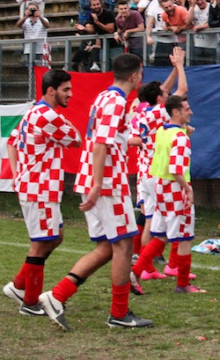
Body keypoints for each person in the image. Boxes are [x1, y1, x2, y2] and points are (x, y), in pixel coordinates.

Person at [39, 54, 152, 331]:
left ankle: (57, 295)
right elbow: (101, 144)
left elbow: (112, 139)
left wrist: (144, 139)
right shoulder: (115, 102)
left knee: (106, 248)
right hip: (107, 184)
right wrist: (98, 185)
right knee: (124, 245)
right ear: (136, 76)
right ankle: (119, 313)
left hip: (95, 180)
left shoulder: (104, 98)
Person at [3, 69, 81, 316]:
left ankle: (18, 286)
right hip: (40, 189)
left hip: (39, 187)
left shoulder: (31, 113)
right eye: (66, 90)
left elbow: (12, 143)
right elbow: (77, 139)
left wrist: (17, 175)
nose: (70, 94)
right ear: (51, 91)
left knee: (55, 237)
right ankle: (30, 302)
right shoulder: (48, 116)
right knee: (40, 243)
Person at [130, 94, 203, 294]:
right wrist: (188, 189)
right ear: (176, 112)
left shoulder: (162, 130)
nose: (191, 112)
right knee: (185, 236)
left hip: (160, 186)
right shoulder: (179, 136)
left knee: (160, 234)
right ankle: (182, 284)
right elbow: (176, 168)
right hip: (175, 187)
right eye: (187, 109)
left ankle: (135, 272)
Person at [186, 0, 219, 65]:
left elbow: (213, 23)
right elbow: (187, 21)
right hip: (198, 44)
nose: (200, 2)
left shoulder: (212, 7)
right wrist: (192, 6)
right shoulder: (194, 8)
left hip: (211, 45)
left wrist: (199, 27)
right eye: (197, 0)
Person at [16, 2, 48, 66]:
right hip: (29, 49)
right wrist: (25, 16)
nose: (32, 11)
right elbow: (18, 25)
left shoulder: (43, 19)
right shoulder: (25, 21)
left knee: (41, 68)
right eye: (30, 9)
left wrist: (40, 17)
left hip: (41, 49)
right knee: (30, 68)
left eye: (34, 9)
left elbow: (47, 25)